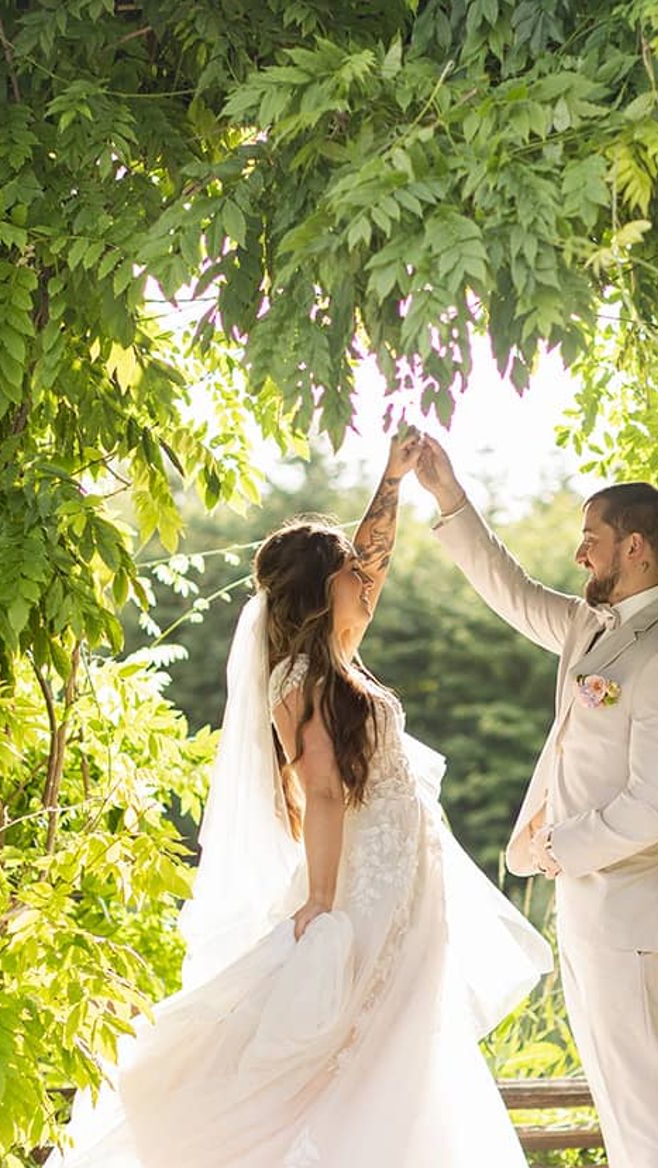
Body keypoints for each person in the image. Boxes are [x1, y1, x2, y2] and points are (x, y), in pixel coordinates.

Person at [54, 428, 551, 1168]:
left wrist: (392, 481)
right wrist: (323, 905)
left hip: (406, 877)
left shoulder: (336, 655)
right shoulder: (302, 679)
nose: (365, 576)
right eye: (350, 570)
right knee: (358, 1038)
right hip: (364, 885)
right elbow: (320, 793)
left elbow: (375, 558)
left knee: (402, 1034)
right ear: (326, 588)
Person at [414, 434, 658, 1168]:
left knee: (647, 1103)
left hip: (635, 917)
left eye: (592, 541)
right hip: (587, 905)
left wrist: (556, 849)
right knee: (618, 1101)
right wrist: (448, 496)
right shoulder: (590, 622)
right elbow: (512, 591)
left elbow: (655, 810)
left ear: (635, 547)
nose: (580, 555)